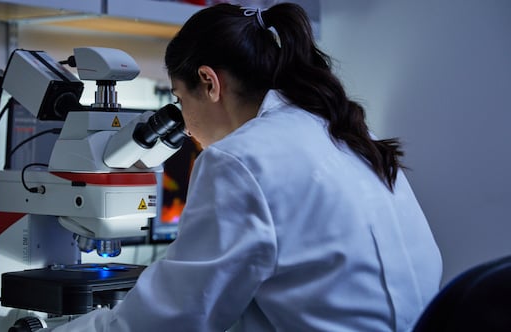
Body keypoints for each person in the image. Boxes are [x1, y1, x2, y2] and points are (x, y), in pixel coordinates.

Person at [46, 3, 442, 331]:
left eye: (181, 101)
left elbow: (166, 322)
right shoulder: (346, 135)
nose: (184, 124)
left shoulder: (240, 159)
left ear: (209, 82)